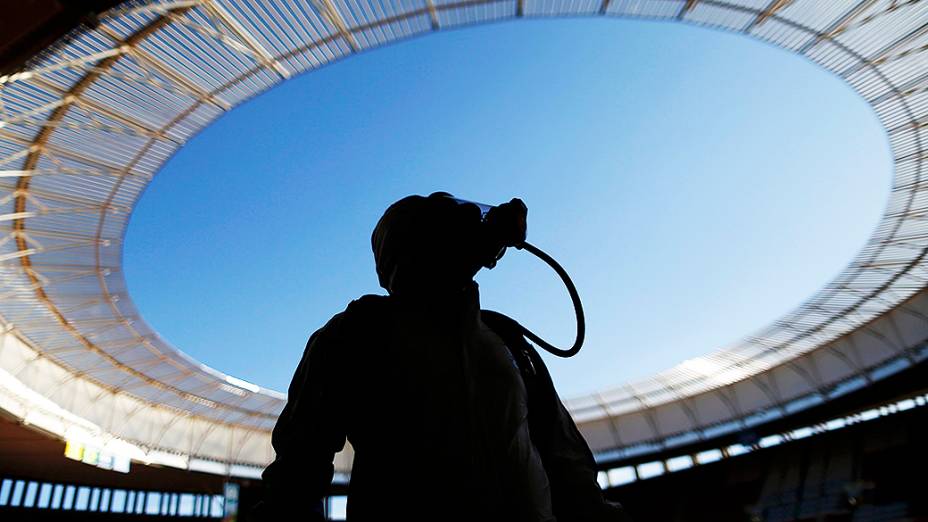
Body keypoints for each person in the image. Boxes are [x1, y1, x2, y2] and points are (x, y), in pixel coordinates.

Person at [253, 192, 628, 522]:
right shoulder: (354, 335)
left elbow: (563, 457)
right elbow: (297, 472)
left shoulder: (507, 337)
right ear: (408, 252)